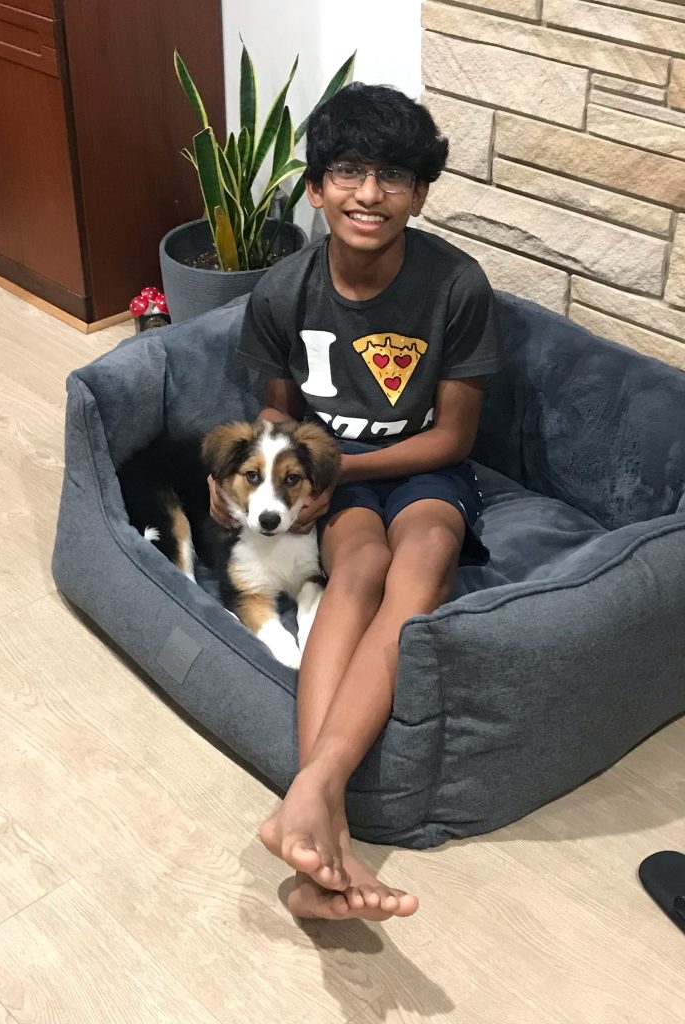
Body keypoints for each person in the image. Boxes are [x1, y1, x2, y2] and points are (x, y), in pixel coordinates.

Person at [209, 82, 503, 921]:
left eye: (395, 177)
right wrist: (250, 471)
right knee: (358, 570)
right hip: (327, 478)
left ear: (420, 192)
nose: (370, 194)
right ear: (314, 186)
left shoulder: (458, 285)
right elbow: (276, 412)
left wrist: (346, 467)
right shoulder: (282, 292)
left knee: (422, 560)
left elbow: (452, 439)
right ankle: (320, 835)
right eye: (348, 171)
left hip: (412, 469)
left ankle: (313, 795)